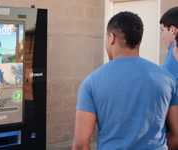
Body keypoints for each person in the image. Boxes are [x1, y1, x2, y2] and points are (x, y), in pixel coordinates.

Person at [72, 12, 178, 150]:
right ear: (139, 40)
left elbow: (81, 144)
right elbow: (176, 135)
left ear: (111, 38)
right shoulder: (167, 79)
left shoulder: (91, 82)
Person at [160, 7, 178, 79]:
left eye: (162, 30)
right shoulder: (171, 48)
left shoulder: (175, 48)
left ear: (172, 30)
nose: (162, 37)